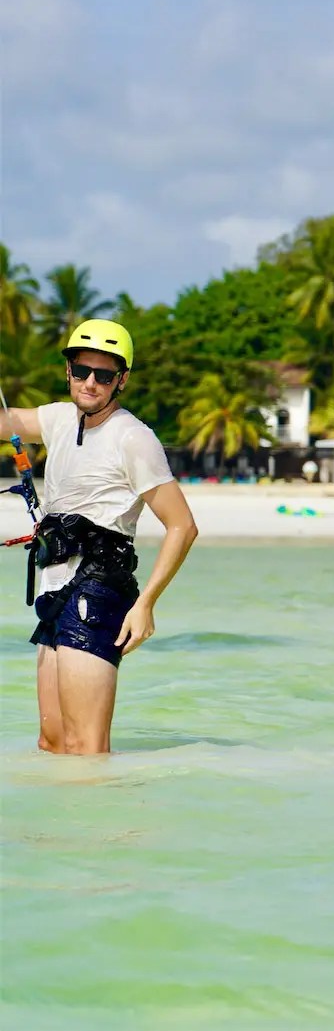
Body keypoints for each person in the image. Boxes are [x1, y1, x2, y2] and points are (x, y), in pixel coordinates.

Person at [2, 320, 198, 754]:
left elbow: (183, 526)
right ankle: (60, 826)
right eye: (82, 371)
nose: (90, 383)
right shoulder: (57, 418)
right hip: (54, 589)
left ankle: (111, 824)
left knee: (86, 746)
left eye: (104, 375)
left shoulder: (133, 438)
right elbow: (5, 422)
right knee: (52, 742)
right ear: (68, 371)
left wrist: (145, 604)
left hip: (99, 589)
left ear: (121, 380)